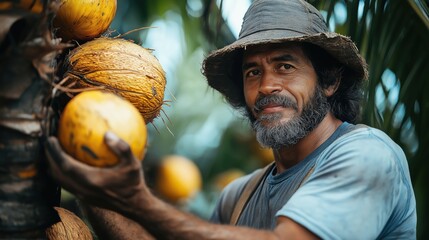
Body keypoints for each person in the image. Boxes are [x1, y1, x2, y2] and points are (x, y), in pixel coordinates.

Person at [45, 0, 417, 239]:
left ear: (331, 80)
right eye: (252, 72)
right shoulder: (238, 197)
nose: (267, 85)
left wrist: (139, 200)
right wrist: (92, 184)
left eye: (285, 66)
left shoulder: (369, 156)